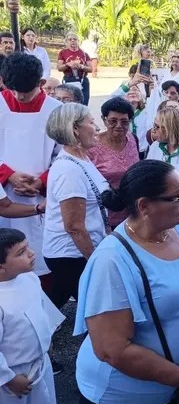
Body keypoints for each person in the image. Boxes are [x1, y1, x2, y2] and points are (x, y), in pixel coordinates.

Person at [73, 160, 179, 404]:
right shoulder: (112, 260)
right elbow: (112, 349)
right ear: (144, 206)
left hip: (170, 395)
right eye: (177, 197)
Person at [0, 53, 62, 280]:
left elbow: (63, 154)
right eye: (13, 90)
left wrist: (42, 180)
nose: (18, 96)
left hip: (40, 196)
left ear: (41, 83)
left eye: (25, 92)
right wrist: (8, 174)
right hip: (4, 194)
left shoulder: (56, 110)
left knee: (39, 257)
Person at [43, 103, 109, 311]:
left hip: (76, 252)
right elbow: (74, 226)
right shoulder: (68, 169)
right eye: (91, 122)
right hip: (70, 254)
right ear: (75, 130)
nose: (97, 127)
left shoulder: (82, 158)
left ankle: (32, 332)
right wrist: (94, 259)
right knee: (97, 308)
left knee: (57, 299)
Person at [0, 228, 64, 404]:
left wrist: (47, 340)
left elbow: (42, 312)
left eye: (27, 247)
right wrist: (8, 379)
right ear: (1, 268)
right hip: (13, 376)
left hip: (39, 364)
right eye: (20, 252)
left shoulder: (29, 278)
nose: (31, 253)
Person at [87, 97, 140, 228]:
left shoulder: (133, 139)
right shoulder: (91, 146)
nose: (118, 126)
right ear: (104, 120)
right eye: (113, 121)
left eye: (124, 122)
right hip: (104, 217)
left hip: (134, 214)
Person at [57, 32, 91, 106]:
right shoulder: (63, 53)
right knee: (69, 102)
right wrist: (68, 65)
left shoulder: (84, 54)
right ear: (66, 42)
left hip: (82, 80)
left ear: (78, 41)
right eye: (70, 39)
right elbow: (59, 68)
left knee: (83, 102)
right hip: (69, 79)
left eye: (75, 39)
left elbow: (90, 69)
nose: (73, 41)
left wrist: (82, 66)